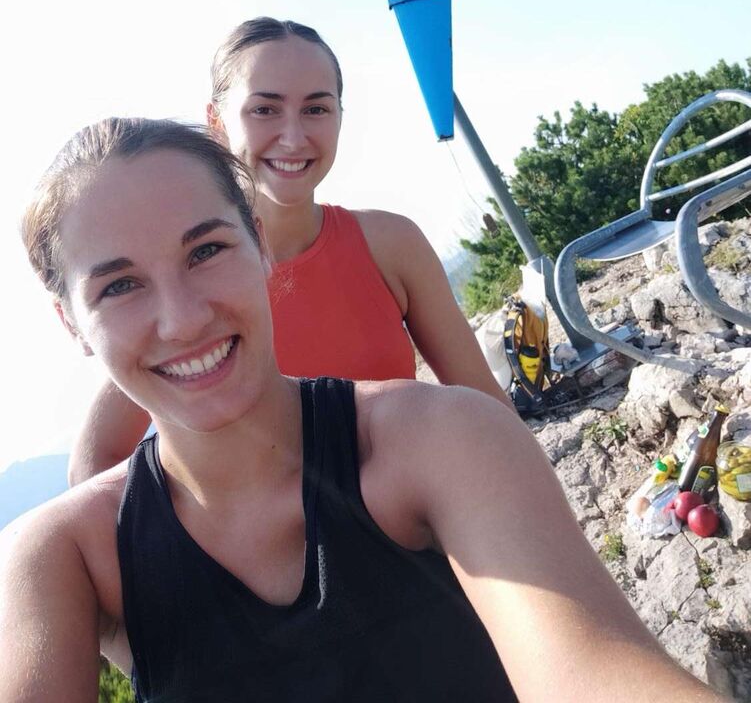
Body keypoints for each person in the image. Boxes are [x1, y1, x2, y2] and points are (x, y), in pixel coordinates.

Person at [0, 118, 724, 702]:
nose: (183, 319)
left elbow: (589, 669)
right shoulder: (64, 558)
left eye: (206, 250)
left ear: (259, 246)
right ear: (71, 323)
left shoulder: (443, 441)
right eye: (119, 287)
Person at [69, 17, 510, 485]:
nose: (294, 137)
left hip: (420, 519)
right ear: (217, 123)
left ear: (340, 117)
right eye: (265, 110)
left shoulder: (391, 245)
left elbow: (489, 409)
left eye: (316, 109)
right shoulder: (195, 290)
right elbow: (93, 468)